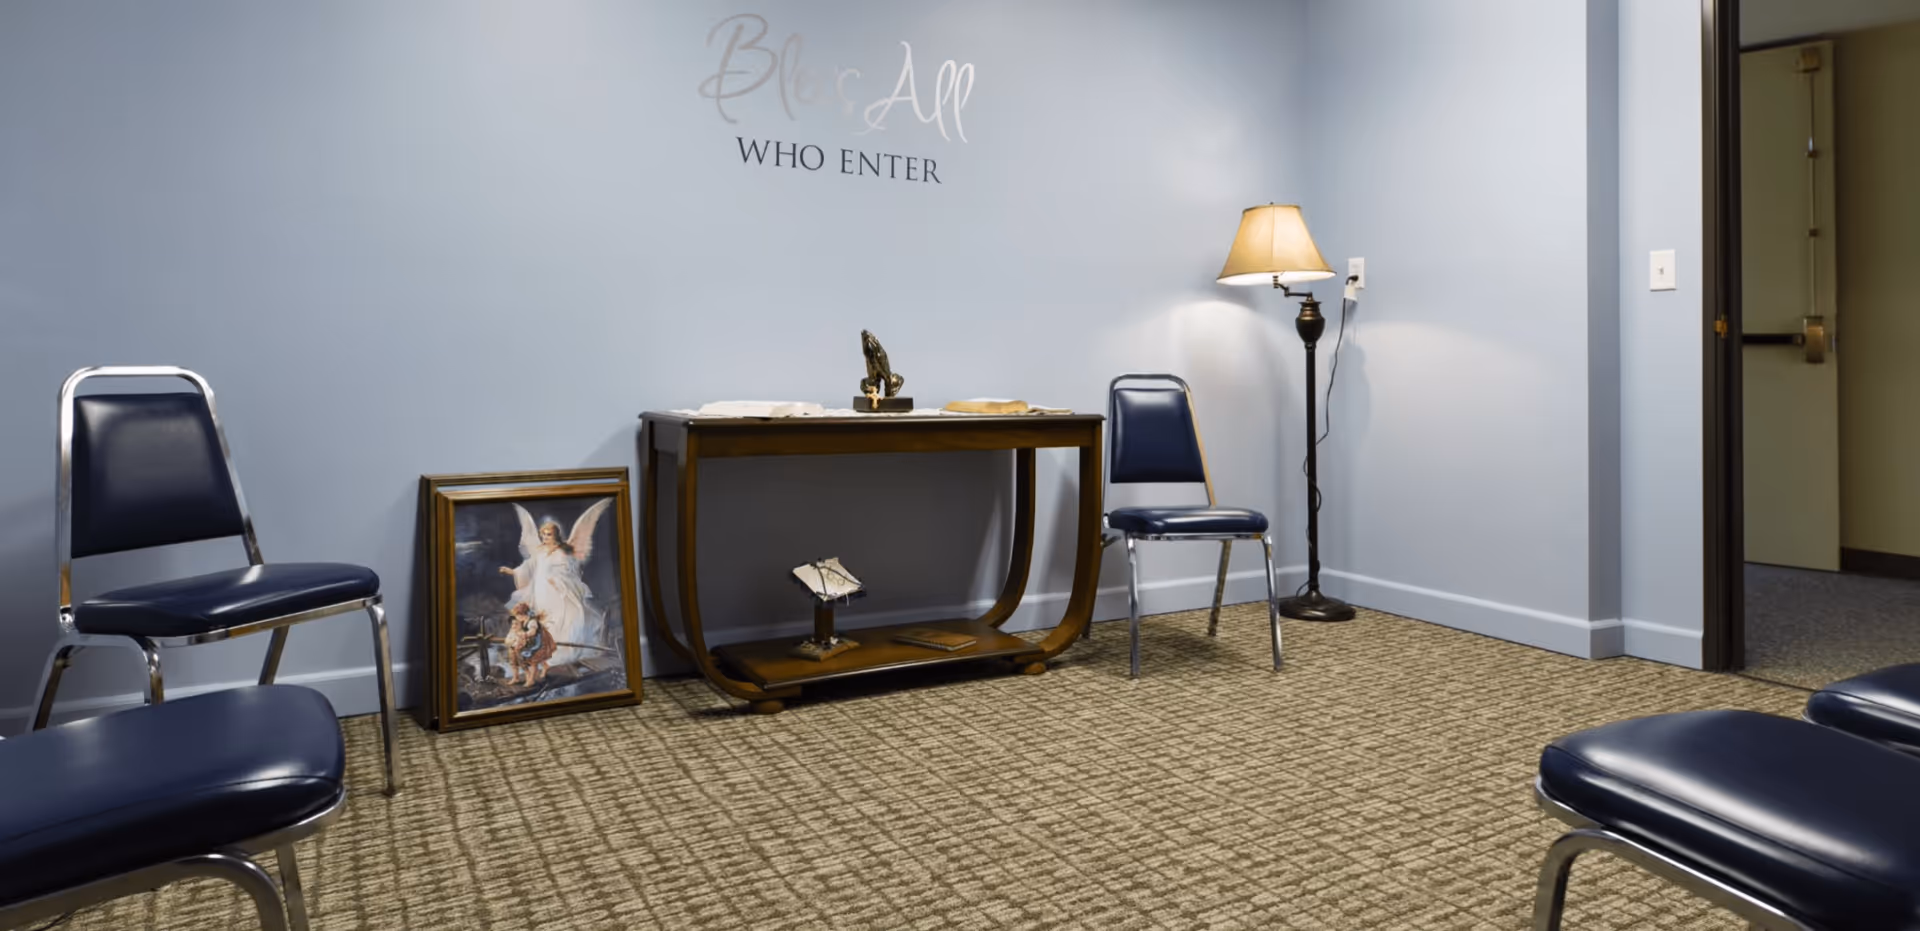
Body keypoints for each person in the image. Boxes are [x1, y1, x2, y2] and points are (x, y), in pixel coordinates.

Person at [499, 498, 613, 667]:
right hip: (541, 590)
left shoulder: (565, 550)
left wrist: (558, 581)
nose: (545, 537)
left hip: (559, 590)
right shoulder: (539, 550)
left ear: (556, 535)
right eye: (543, 534)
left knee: (564, 618)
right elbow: (529, 566)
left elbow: (571, 569)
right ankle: (542, 651)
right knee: (544, 619)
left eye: (548, 534)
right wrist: (513, 571)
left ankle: (563, 651)